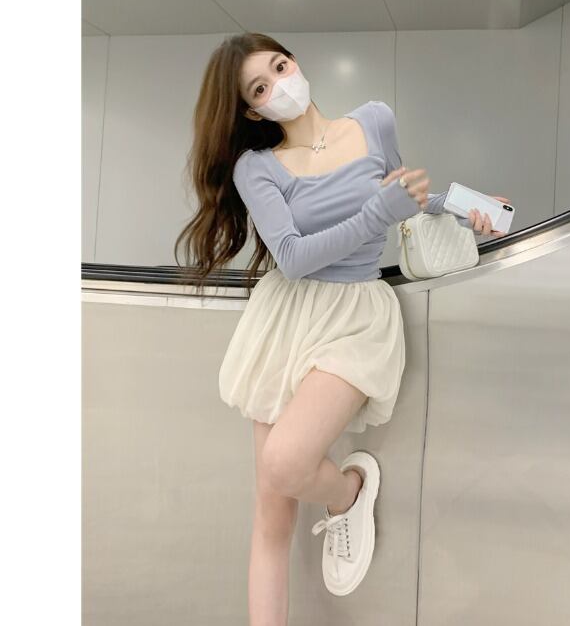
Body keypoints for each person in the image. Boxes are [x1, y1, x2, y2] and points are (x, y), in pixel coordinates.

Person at [174, 32, 509, 624]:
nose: (281, 86)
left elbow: (402, 197)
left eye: (280, 67)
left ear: (294, 61)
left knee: (285, 462)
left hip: (356, 314)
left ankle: (348, 492)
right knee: (271, 514)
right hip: (287, 316)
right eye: (261, 88)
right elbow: (293, 256)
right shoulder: (257, 168)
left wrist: (466, 211)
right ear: (251, 111)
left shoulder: (374, 120)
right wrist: (378, 212)